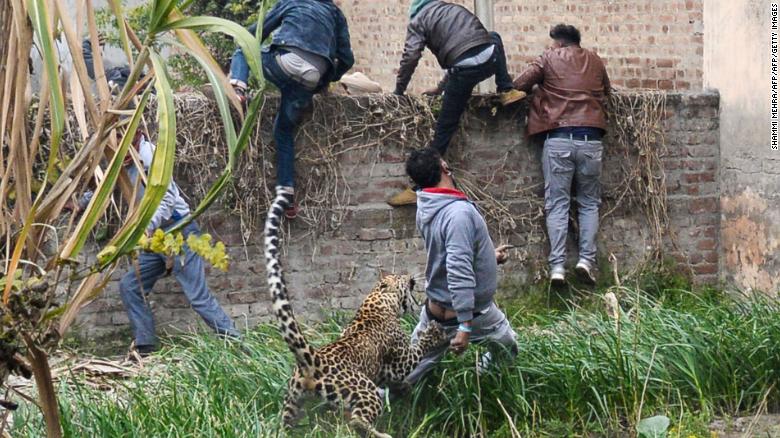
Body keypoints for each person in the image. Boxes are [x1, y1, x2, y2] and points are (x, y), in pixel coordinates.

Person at [388, 0, 526, 207]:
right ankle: (506, 89)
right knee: (494, 37)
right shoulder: (452, 9)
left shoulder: (418, 21)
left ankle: (419, 188)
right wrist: (440, 88)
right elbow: (467, 50)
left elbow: (411, 56)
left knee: (445, 127)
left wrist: (398, 91)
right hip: (490, 59)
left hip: (465, 71)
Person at [117, 131, 240, 356]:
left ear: (135, 132)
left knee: (197, 297)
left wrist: (147, 225)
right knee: (130, 286)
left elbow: (167, 198)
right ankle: (145, 347)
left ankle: (239, 345)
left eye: (121, 134)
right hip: (155, 237)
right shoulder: (121, 157)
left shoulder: (150, 155)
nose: (116, 140)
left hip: (177, 231)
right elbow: (99, 181)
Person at [402, 147, 518, 385]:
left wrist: (487, 257)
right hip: (471, 313)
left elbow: (449, 254)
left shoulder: (427, 205)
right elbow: (458, 269)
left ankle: (368, 405)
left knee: (406, 372)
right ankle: (482, 381)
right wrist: (465, 325)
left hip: (435, 309)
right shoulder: (458, 214)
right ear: (445, 167)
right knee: (507, 348)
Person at [229, 0, 354, 219]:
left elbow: (256, 33)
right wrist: (327, 80)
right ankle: (286, 196)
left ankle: (238, 90)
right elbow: (346, 59)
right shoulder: (335, 13)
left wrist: (235, 33)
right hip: (313, 76)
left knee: (243, 50)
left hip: (287, 62)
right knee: (284, 131)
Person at [512, 24, 611, 286]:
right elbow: (607, 92)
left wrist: (539, 91)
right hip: (591, 139)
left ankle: (557, 267)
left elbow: (519, 84)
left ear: (558, 44)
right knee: (589, 203)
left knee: (557, 204)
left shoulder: (548, 58)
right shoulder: (596, 61)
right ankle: (585, 261)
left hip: (558, 139)